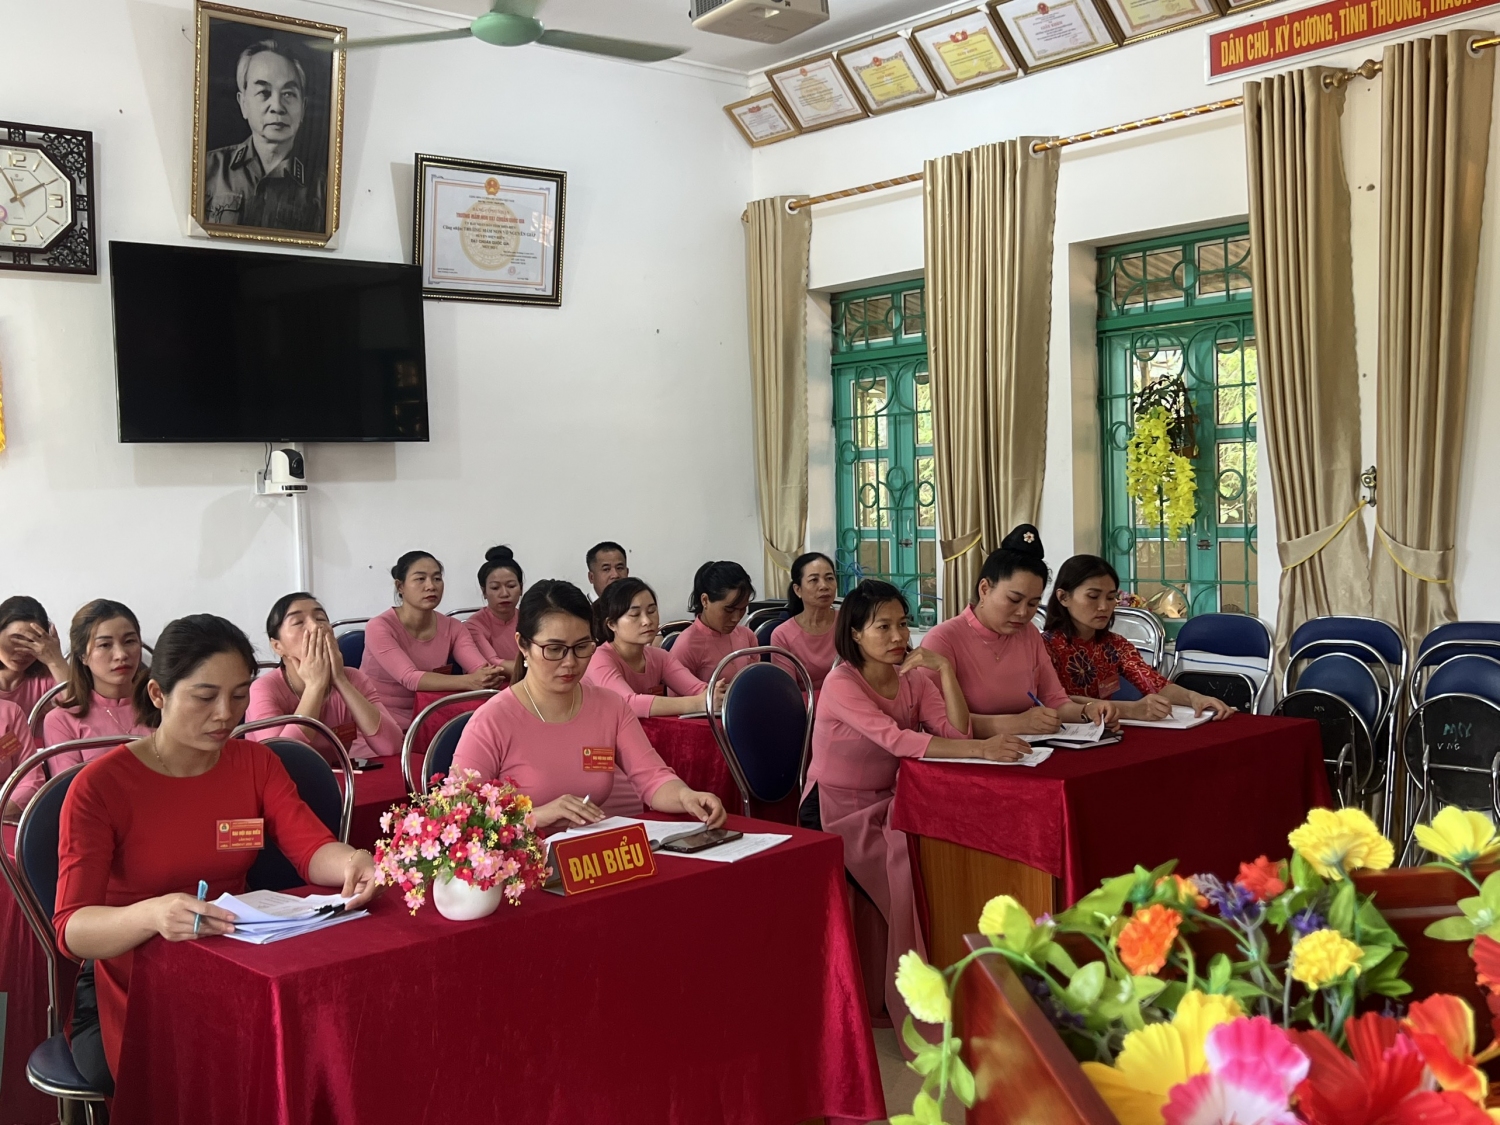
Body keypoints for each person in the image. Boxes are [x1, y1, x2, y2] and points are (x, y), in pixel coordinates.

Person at [53, 614, 379, 1093]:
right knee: (197, 1073)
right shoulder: (101, 787)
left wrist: (353, 861)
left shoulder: (255, 763)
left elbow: (311, 850)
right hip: (133, 980)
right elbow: (72, 928)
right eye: (205, 697)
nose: (226, 714)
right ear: (158, 694)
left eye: (240, 695)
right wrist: (153, 915)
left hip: (235, 963)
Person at [802, 580, 1027, 1026]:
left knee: (943, 851)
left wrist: (945, 670)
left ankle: (962, 984)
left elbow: (955, 733)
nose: (898, 636)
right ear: (855, 634)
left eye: (903, 625)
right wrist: (982, 749)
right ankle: (918, 1000)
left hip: (894, 799)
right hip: (837, 807)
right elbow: (898, 740)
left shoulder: (914, 676)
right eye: (883, 627)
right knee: (907, 873)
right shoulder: (842, 684)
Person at [451, 580, 727, 831]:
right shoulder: (492, 720)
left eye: (582, 647)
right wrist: (536, 816)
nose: (570, 662)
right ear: (523, 645)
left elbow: (652, 778)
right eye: (554, 649)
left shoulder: (610, 707)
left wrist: (685, 796)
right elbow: (458, 816)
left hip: (591, 856)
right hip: (521, 863)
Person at [920, 526, 1118, 738]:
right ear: (984, 589)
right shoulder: (943, 639)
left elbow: (1055, 701)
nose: (1023, 613)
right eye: (1014, 600)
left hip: (1029, 749)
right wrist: (1016, 724)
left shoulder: (1028, 633)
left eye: (1033, 604)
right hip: (971, 754)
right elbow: (936, 720)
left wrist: (1087, 711)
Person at [1042, 555, 1232, 721]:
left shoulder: (1115, 645)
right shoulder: (1045, 647)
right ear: (1063, 597)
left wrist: (1194, 698)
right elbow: (1054, 701)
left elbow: (1154, 683)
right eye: (1093, 596)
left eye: (1110, 598)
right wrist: (1131, 710)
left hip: (1105, 730)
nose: (1104, 606)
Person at [8, 601, 154, 813]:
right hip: (99, 821)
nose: (121, 654)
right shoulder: (62, 720)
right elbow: (72, 797)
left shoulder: (162, 704)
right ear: (83, 656)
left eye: (130, 641)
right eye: (105, 645)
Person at [360, 551, 507, 730]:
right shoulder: (379, 627)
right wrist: (470, 681)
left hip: (432, 714)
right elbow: (410, 678)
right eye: (420, 579)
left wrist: (487, 676)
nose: (431, 586)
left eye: (437, 578)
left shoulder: (453, 627)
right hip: (381, 720)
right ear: (400, 586)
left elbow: (479, 668)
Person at [246, 593, 401, 760]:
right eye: (298, 622)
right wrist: (314, 687)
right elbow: (281, 759)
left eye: (320, 618)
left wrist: (341, 681)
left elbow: (391, 746)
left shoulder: (353, 678)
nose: (315, 627)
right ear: (277, 646)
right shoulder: (263, 689)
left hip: (338, 774)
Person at [201, 40, 325, 232]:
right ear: (243, 104)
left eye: (288, 94)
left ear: (303, 107)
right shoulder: (207, 169)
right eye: (264, 92)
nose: (277, 107)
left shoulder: (323, 188)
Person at [584, 578, 720, 718]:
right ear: (612, 624)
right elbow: (627, 703)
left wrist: (716, 693)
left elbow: (698, 689)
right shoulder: (598, 658)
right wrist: (697, 703)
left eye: (651, 611)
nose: (647, 621)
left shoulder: (660, 657)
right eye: (635, 615)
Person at [670, 561, 760, 683]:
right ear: (705, 600)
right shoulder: (686, 646)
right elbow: (676, 695)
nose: (736, 618)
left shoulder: (747, 636)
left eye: (742, 609)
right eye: (729, 610)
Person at [770, 552, 838, 690]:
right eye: (814, 580)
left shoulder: (849, 621)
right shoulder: (782, 635)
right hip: (807, 701)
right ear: (798, 590)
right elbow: (787, 691)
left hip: (848, 697)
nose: (824, 586)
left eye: (829, 578)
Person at [0, 595, 70, 717]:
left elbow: (82, 708)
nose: (23, 651)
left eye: (33, 642)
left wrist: (56, 660)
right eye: (16, 639)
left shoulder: (47, 679)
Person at [463, 546, 523, 682]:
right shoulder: (474, 625)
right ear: (484, 592)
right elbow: (492, 663)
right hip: (495, 688)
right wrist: (538, 670)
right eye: (495, 588)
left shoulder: (529, 618)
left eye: (511, 586)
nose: (504, 594)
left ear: (521, 588)